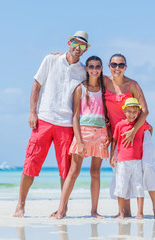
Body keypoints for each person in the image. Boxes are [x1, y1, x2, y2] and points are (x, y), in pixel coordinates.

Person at [13, 31, 90, 217]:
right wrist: (33, 112)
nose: (77, 48)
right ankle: (21, 204)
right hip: (44, 120)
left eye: (82, 46)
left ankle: (62, 208)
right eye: (75, 43)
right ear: (69, 42)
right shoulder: (50, 59)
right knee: (31, 163)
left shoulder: (83, 72)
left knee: (65, 170)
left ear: (86, 49)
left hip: (66, 124)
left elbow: (98, 86)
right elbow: (36, 86)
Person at [53, 56, 110, 219]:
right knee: (74, 171)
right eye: (91, 66)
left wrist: (108, 135)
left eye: (97, 67)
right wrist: (78, 140)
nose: (94, 70)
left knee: (95, 173)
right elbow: (75, 116)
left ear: (101, 68)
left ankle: (94, 211)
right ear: (86, 68)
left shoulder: (104, 88)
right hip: (83, 133)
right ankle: (61, 210)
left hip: (100, 133)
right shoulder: (80, 88)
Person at [105, 53, 155, 219]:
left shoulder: (133, 85)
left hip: (139, 134)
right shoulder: (104, 81)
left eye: (121, 65)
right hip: (120, 135)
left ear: (125, 67)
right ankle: (126, 211)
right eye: (114, 65)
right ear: (109, 66)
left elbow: (145, 111)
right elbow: (86, 71)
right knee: (122, 173)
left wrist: (133, 131)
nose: (117, 68)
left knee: (148, 169)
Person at [109, 98, 149, 219]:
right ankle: (121, 213)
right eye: (129, 111)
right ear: (124, 112)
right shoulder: (120, 125)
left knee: (138, 186)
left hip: (137, 160)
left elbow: (150, 128)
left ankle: (140, 213)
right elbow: (114, 141)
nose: (132, 114)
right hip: (122, 161)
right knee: (121, 186)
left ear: (138, 112)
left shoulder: (141, 124)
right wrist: (112, 156)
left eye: (135, 111)